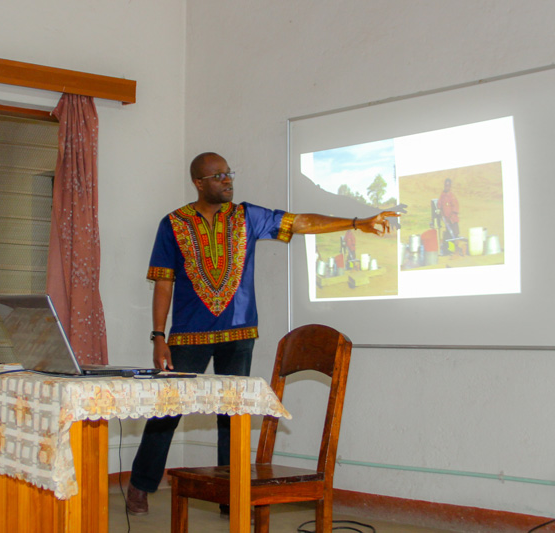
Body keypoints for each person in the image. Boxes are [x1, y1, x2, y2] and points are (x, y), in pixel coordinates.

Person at [125, 152, 398, 516]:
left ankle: (230, 496)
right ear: (199, 183)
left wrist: (355, 222)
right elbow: (163, 282)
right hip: (188, 335)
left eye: (229, 173)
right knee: (166, 411)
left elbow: (299, 222)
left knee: (233, 417)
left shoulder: (247, 216)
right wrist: (158, 335)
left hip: (238, 332)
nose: (227, 180)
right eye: (218, 175)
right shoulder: (173, 223)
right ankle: (141, 486)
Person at [438, 178, 460, 247]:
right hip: (447, 220)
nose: (446, 187)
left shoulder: (452, 196)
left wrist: (450, 217)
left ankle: (456, 249)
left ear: (450, 186)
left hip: (452, 220)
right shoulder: (442, 195)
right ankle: (450, 249)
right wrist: (441, 213)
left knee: (455, 234)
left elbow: (455, 207)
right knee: (449, 235)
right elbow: (439, 204)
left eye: (448, 186)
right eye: (445, 185)